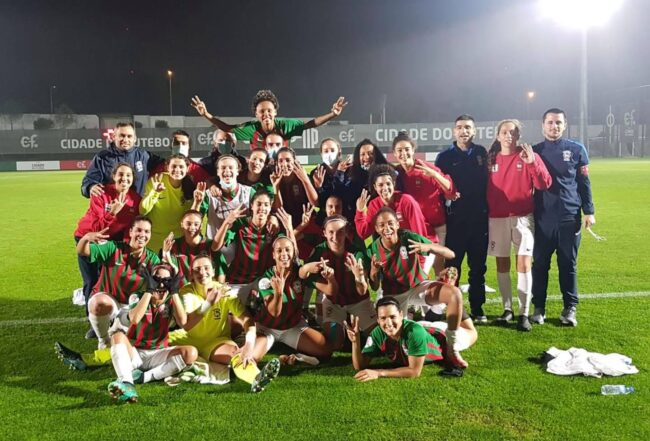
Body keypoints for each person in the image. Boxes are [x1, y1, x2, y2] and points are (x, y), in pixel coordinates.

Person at [367, 207, 470, 368]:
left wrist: (428, 247)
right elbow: (374, 287)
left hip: (418, 286)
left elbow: (450, 254)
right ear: (376, 228)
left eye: (390, 223)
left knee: (454, 294)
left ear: (397, 223)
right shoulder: (373, 250)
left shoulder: (408, 237)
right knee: (401, 345)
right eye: (382, 225)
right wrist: (373, 270)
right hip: (395, 297)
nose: (387, 228)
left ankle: (452, 349)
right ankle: (424, 326)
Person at [168, 255, 280, 392]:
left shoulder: (224, 291)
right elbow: (187, 324)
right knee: (156, 347)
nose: (202, 272)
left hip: (216, 341)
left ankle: (256, 378)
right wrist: (209, 303)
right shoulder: (186, 292)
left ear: (213, 271)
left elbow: (247, 319)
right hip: (188, 338)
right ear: (191, 274)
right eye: (197, 269)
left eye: (206, 268)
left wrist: (249, 344)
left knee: (237, 354)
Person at [531, 108, 596, 327]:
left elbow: (584, 183)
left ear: (565, 125)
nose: (554, 126)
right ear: (543, 125)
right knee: (540, 264)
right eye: (550, 122)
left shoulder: (577, 149)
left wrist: (589, 211)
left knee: (568, 263)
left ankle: (569, 308)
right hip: (542, 217)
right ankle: (538, 307)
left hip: (569, 216)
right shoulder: (534, 151)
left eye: (558, 122)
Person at [486, 120, 552, 331]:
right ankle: (507, 310)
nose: (509, 135)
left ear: (518, 136)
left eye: (513, 132)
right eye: (504, 132)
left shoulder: (528, 156)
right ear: (498, 136)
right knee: (502, 265)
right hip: (497, 218)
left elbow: (544, 184)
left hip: (523, 218)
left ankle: (524, 312)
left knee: (524, 265)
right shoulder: (490, 159)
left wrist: (532, 163)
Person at [106, 264, 197, 403]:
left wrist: (174, 292)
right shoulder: (137, 296)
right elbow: (135, 318)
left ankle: (143, 377)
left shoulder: (172, 300)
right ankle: (127, 383)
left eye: (166, 281)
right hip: (135, 352)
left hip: (158, 354)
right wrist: (149, 290)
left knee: (191, 353)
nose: (161, 284)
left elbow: (183, 322)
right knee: (117, 336)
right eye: (156, 279)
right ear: (150, 279)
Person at [74, 163, 141, 334]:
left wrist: (127, 247)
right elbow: (96, 228)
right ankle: (93, 323)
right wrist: (112, 213)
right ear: (114, 176)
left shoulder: (135, 199)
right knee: (91, 279)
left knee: (109, 280)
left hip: (111, 242)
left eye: (128, 175)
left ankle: (111, 319)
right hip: (88, 238)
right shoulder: (101, 192)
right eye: (121, 174)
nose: (124, 178)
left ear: (133, 179)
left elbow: (130, 227)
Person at [435, 115, 489, 323]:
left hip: (479, 220)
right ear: (454, 131)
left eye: (467, 127)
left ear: (474, 131)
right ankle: (453, 307)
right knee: (452, 268)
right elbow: (439, 189)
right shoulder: (444, 157)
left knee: (478, 268)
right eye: (459, 127)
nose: (463, 131)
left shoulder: (482, 153)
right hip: (455, 222)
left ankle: (477, 308)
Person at [77, 216, 161, 349]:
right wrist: (86, 238)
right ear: (131, 232)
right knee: (98, 303)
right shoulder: (114, 248)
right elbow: (82, 251)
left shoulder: (153, 259)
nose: (142, 235)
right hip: (110, 302)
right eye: (139, 230)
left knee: (128, 342)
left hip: (131, 307)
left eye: (147, 231)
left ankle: (119, 329)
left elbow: (158, 292)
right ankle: (103, 340)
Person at [346, 296, 477, 381]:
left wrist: (379, 372)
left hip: (441, 337)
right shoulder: (377, 333)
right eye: (383, 318)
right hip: (422, 328)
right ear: (378, 320)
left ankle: (458, 304)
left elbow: (414, 371)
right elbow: (360, 366)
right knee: (420, 328)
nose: (388, 323)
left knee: (472, 333)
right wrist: (355, 341)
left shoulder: (414, 333)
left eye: (392, 317)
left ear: (401, 314)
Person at [248, 236, 333, 362]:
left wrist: (330, 278)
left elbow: (330, 291)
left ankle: (296, 357)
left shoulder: (300, 273)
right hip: (267, 329)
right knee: (251, 358)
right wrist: (278, 293)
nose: (284, 254)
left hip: (293, 326)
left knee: (326, 350)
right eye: (279, 250)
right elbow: (274, 313)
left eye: (288, 250)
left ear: (294, 252)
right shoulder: (266, 278)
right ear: (273, 255)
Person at [301, 215, 375, 349]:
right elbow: (303, 276)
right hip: (333, 302)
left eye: (340, 232)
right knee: (335, 343)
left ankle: (354, 325)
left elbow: (362, 291)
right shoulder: (319, 252)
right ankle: (343, 324)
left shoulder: (356, 253)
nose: (335, 237)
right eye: (331, 232)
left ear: (346, 232)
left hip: (358, 301)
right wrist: (306, 268)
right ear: (324, 233)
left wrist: (359, 278)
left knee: (378, 337)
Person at [191, 90, 347, 148]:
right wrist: (206, 114)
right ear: (256, 114)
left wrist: (332, 114)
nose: (266, 114)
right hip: (261, 169)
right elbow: (227, 128)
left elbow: (310, 124)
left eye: (269, 110)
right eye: (261, 111)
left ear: (275, 112)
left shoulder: (285, 125)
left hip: (283, 165)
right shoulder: (251, 128)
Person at [393, 131, 455, 274]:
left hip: (437, 226)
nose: (403, 153)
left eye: (407, 149)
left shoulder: (426, 168)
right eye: (399, 150)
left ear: (413, 150)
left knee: (438, 265)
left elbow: (450, 191)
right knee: (417, 267)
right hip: (413, 228)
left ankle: (440, 288)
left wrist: (435, 175)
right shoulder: (396, 174)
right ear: (395, 153)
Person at [139, 155, 200, 252]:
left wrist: (197, 202)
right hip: (154, 238)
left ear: (187, 168)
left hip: (177, 240)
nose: (177, 170)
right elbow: (143, 211)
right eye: (174, 166)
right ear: (167, 167)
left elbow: (190, 217)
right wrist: (155, 192)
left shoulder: (190, 186)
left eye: (181, 167)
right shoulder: (157, 180)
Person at [81, 122, 159, 198]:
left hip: (138, 205)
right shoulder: (102, 158)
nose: (125, 140)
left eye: (129, 136)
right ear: (114, 137)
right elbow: (88, 181)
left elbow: (164, 164)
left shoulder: (144, 156)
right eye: (122, 136)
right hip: (113, 205)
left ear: (135, 139)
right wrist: (90, 187)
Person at [354, 164, 428, 242]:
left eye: (388, 184)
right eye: (380, 185)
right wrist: (360, 211)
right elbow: (365, 234)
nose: (385, 188)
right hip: (390, 246)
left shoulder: (407, 202)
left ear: (394, 184)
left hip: (410, 244)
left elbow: (419, 234)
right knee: (368, 243)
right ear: (375, 187)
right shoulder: (374, 205)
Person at [161, 209, 227, 285]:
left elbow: (221, 272)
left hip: (206, 289)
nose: (192, 227)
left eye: (196, 224)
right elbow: (167, 270)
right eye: (188, 224)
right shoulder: (174, 245)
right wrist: (165, 252)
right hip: (182, 290)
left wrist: (220, 288)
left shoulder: (211, 245)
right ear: (182, 224)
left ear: (201, 226)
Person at [200, 154, 253, 239]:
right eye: (223, 167)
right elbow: (196, 217)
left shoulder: (249, 192)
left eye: (231, 167)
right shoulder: (208, 195)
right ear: (218, 172)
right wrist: (197, 202)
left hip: (242, 245)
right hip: (216, 245)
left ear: (237, 171)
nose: (227, 170)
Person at [342, 139, 389, 219]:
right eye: (362, 154)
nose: (367, 157)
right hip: (358, 218)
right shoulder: (350, 174)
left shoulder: (386, 170)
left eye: (370, 153)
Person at [275, 147, 319, 228]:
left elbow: (315, 203)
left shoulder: (303, 177)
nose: (284, 164)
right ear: (277, 163)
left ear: (294, 161)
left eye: (288, 160)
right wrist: (276, 186)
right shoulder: (275, 179)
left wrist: (305, 180)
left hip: (307, 221)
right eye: (280, 161)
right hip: (286, 223)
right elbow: (278, 210)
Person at [310, 137, 352, 211]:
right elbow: (320, 203)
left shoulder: (349, 170)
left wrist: (339, 173)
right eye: (326, 151)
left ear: (339, 152)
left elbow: (345, 197)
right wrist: (319, 188)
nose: (329, 154)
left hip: (346, 213)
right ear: (321, 154)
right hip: (324, 215)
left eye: (332, 150)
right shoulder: (316, 173)